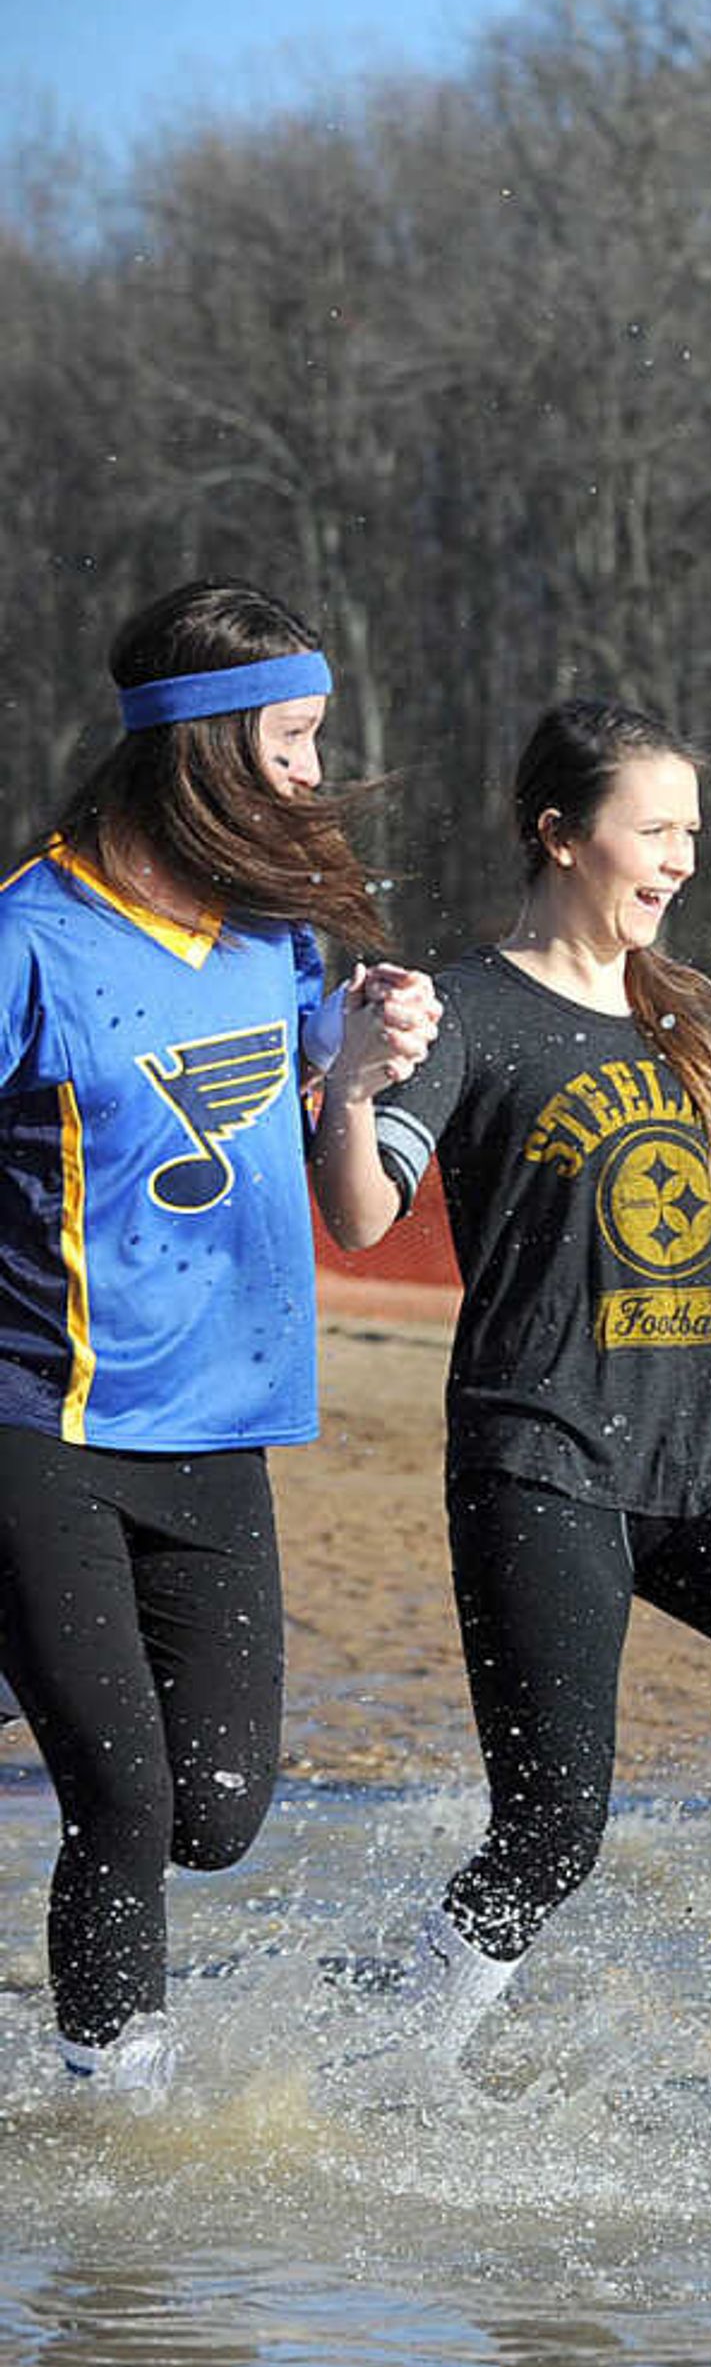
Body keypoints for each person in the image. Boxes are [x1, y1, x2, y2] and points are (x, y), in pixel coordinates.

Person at [312, 697, 711, 2119]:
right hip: (541, 1459)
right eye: (653, 827)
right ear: (559, 833)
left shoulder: (690, 1012)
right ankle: (390, 2073)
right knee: (554, 1825)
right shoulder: (469, 1008)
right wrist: (354, 1085)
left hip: (707, 1458)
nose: (678, 856)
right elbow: (362, 1217)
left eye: (691, 831)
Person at [0, 578, 437, 2092]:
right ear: (203, 748)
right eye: (296, 738)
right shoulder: (30, 938)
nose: (314, 770)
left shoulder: (276, 944)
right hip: (40, 1425)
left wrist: (363, 1075)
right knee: (118, 1800)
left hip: (221, 1429)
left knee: (217, 1813)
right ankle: (118, 2134)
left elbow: (337, 1190)